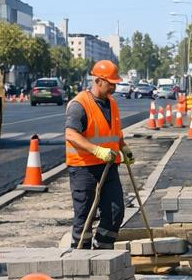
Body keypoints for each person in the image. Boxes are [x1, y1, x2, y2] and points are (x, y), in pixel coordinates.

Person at [64, 60, 131, 249]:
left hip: (109, 166)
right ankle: (81, 255)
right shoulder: (79, 105)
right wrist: (96, 150)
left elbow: (114, 132)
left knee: (115, 211)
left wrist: (123, 147)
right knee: (85, 215)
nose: (114, 86)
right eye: (111, 83)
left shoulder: (112, 104)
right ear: (99, 80)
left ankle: (103, 249)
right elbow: (71, 134)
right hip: (83, 168)